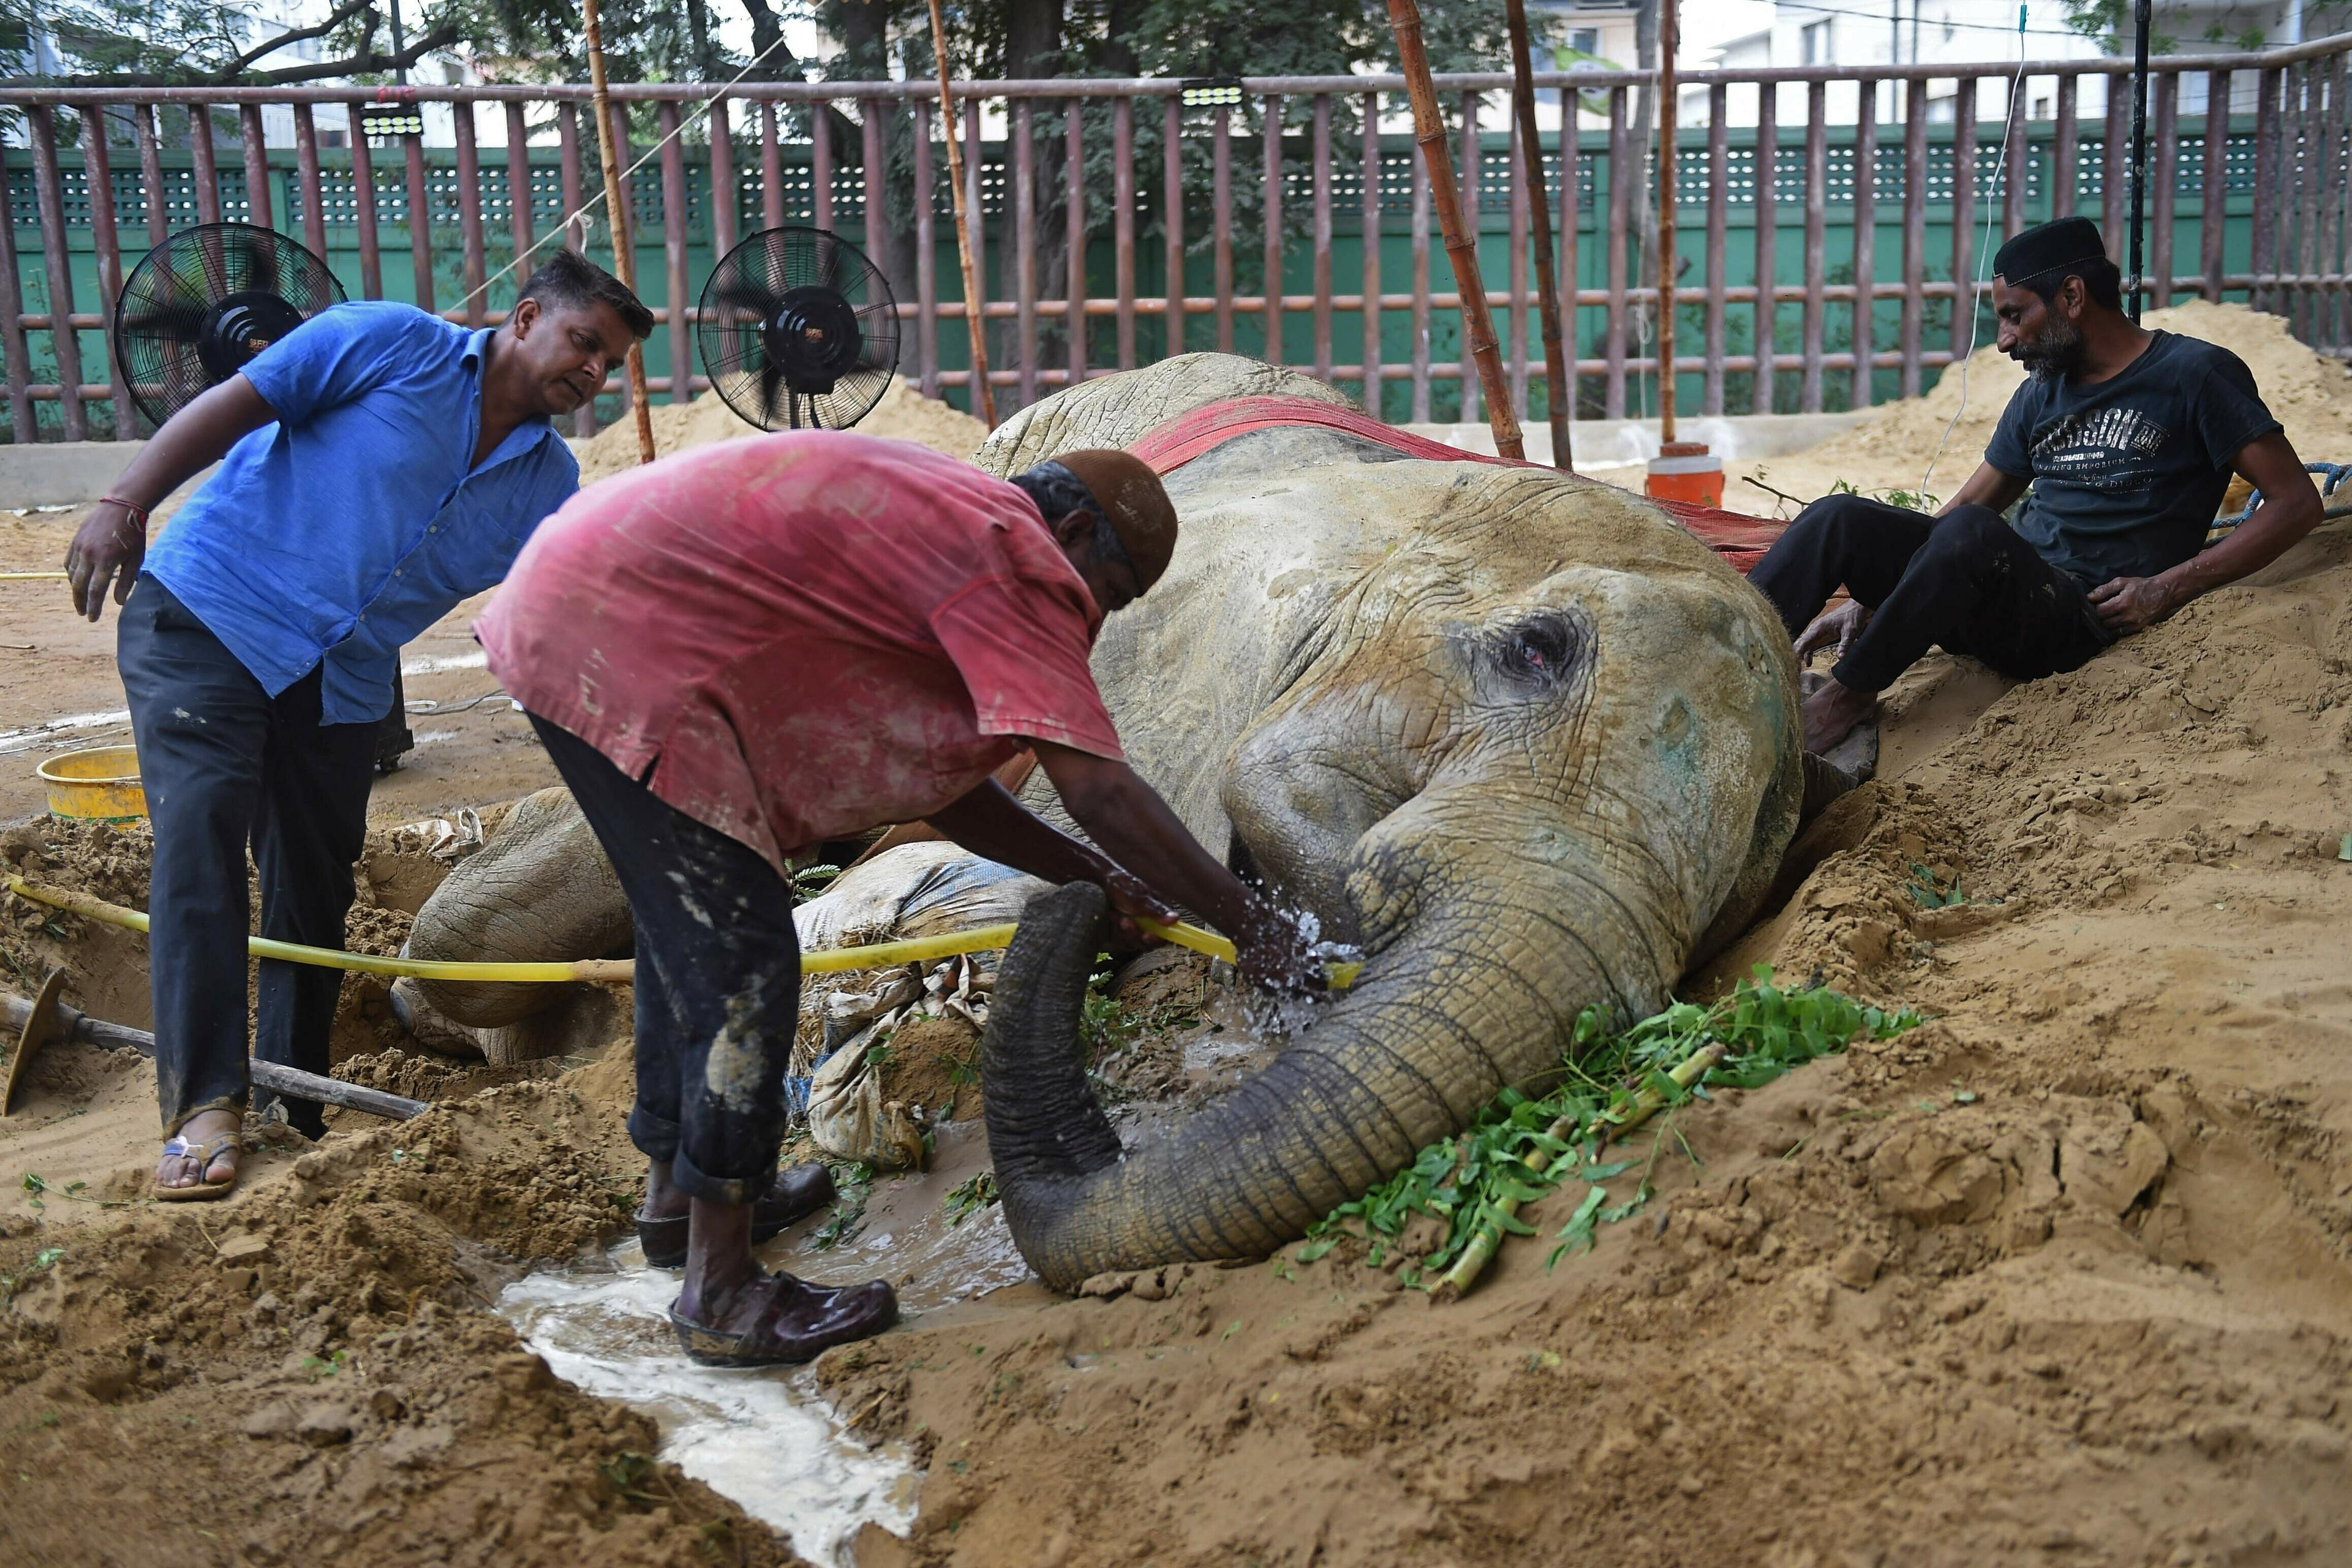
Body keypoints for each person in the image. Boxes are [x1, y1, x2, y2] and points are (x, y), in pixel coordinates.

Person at [477, 435, 1324, 1366]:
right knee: (742, 955)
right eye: (1109, 598)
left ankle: (681, 1206)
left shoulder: (953, 529)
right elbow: (1103, 792)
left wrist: (1094, 876)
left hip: (577, 599)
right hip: (623, 634)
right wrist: (1255, 929)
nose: (1094, 624)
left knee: (687, 934)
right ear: (1075, 530)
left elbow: (949, 792)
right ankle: (722, 1295)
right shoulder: (1015, 554)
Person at [64, 252, 663, 1204]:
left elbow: (573, 617)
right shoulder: (387, 343)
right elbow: (235, 406)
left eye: (610, 362)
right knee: (203, 839)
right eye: (584, 343)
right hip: (210, 616)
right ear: (523, 318)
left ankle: (291, 1101)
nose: (593, 373)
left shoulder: (548, 481)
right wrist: (123, 501)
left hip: (339, 682)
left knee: (313, 881)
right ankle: (203, 1108)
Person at [1749, 215, 2326, 753]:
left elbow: (2296, 503)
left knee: (1975, 535)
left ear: (2072, 298)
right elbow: (1965, 507)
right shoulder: (2041, 392)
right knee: (1837, 517)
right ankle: (1723, 668)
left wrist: (2169, 588)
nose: (2003, 340)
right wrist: (1878, 595)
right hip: (1995, 596)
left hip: (2079, 616)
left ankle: (1845, 699)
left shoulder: (2195, 375)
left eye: (2014, 315)